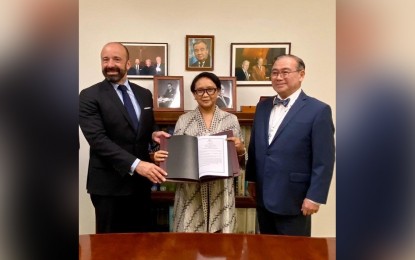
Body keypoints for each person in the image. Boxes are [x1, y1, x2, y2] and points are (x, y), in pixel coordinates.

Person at [79, 42, 170, 234]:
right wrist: (138, 164)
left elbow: (145, 126)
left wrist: (153, 134)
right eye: (105, 59)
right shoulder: (88, 96)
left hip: (141, 186)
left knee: (142, 244)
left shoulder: (144, 94)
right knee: (110, 248)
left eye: (116, 59)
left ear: (128, 64)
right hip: (108, 186)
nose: (110, 64)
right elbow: (98, 140)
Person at [246, 54, 335, 237]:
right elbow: (255, 147)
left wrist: (314, 197)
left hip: (295, 199)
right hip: (263, 196)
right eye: (275, 72)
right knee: (266, 251)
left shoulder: (318, 110)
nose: (279, 77)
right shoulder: (262, 107)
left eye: (285, 72)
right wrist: (252, 180)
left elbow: (324, 159)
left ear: (301, 74)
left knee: (294, 253)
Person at [154, 72, 246, 233]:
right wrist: (162, 158)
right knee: (189, 246)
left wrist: (240, 149)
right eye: (200, 91)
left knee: (221, 248)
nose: (205, 95)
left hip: (221, 189)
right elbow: (176, 155)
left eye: (210, 89)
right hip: (190, 190)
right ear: (194, 95)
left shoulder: (231, 120)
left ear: (218, 91)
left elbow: (240, 161)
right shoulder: (184, 119)